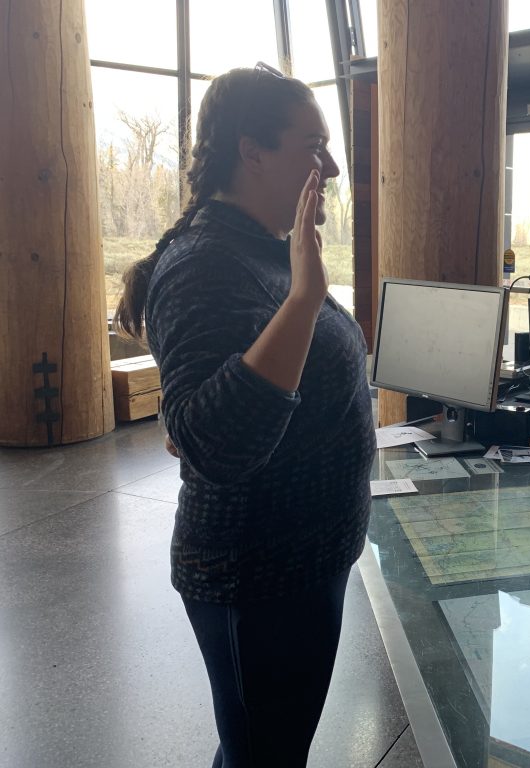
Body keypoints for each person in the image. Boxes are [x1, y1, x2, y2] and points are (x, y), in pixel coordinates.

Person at [113, 63, 375, 766]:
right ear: (251, 152)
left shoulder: (266, 251)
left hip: (303, 559)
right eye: (314, 147)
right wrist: (304, 302)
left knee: (263, 749)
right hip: (257, 575)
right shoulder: (204, 265)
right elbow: (216, 443)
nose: (332, 169)